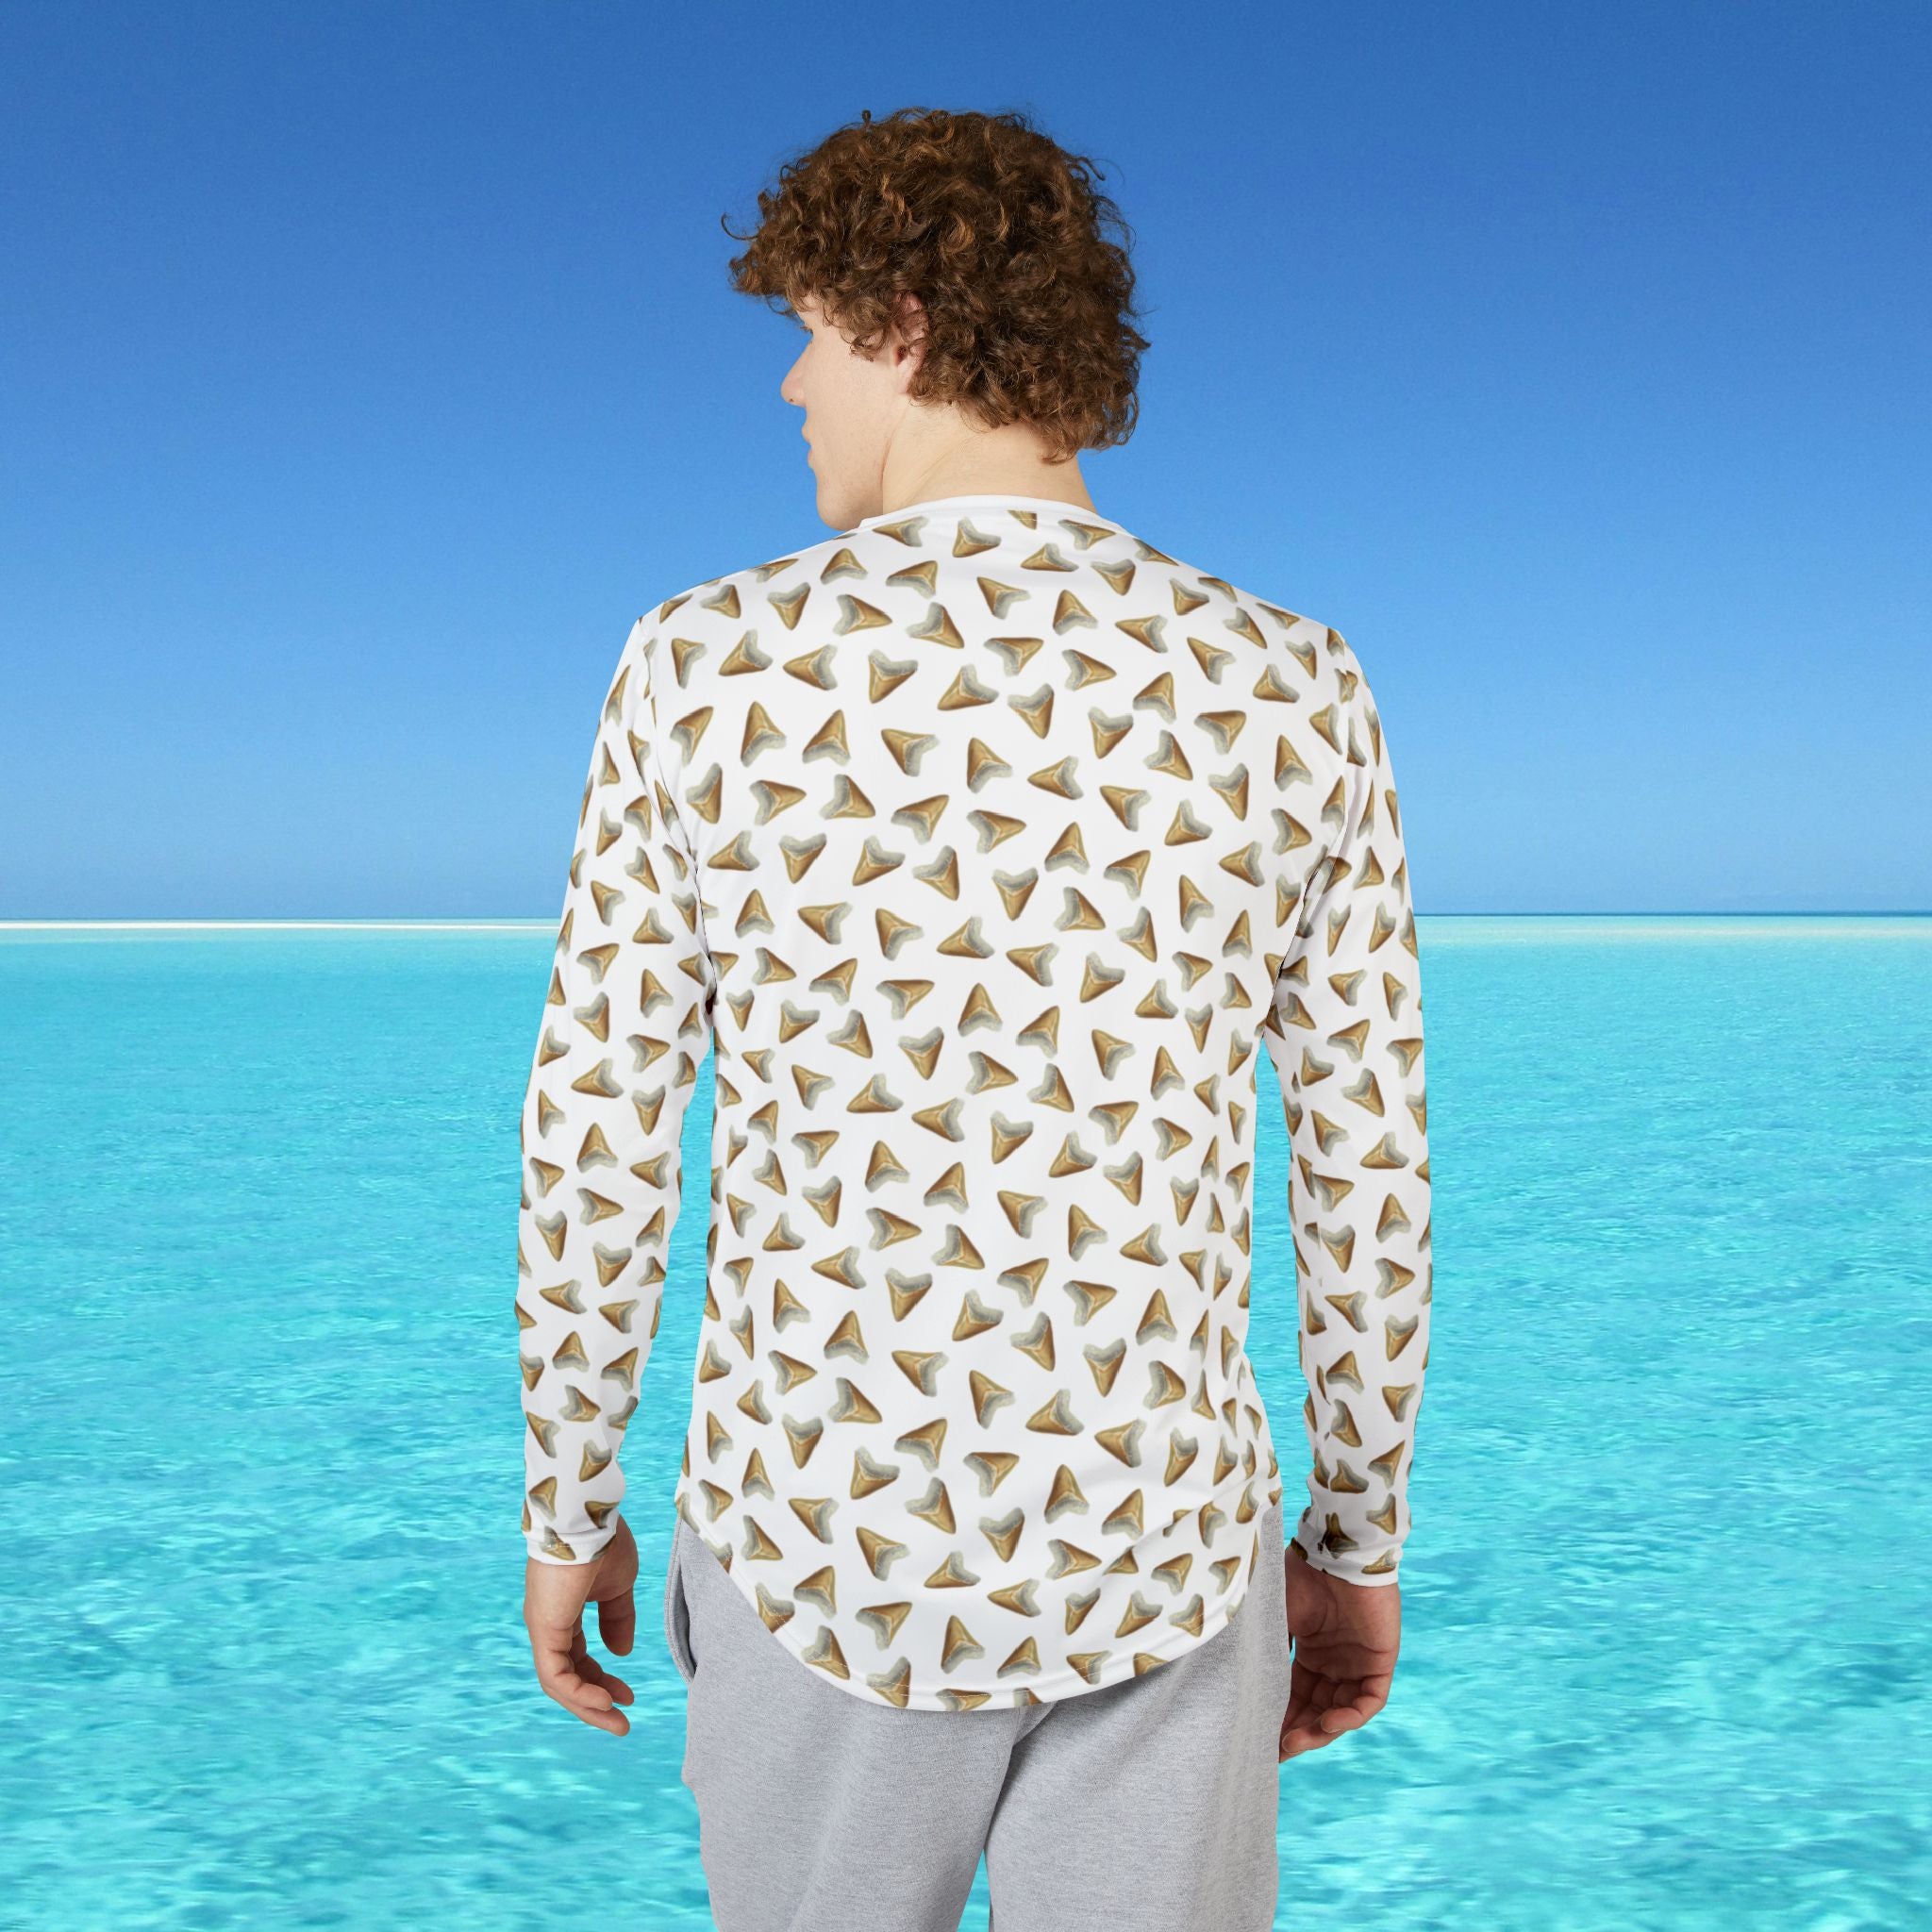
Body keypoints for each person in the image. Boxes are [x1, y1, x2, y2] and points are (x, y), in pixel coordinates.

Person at [515, 105, 1431, 1932]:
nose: (790, 385)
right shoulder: (1290, 682)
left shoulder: (703, 663)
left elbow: (599, 1128)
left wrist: (567, 1496)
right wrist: (1354, 1537)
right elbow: (1364, 1165)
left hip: (818, 1542)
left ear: (906, 323)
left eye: (809, 328)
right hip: (1160, 1542)